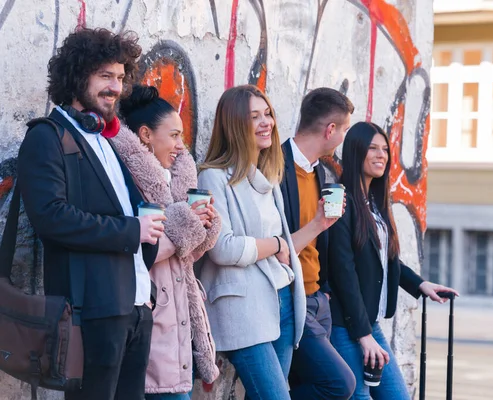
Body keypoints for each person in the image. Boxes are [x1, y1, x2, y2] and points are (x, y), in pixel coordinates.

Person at [17, 28, 166, 400]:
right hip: (92, 312)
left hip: (135, 309)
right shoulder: (47, 137)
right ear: (76, 76)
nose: (115, 87)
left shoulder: (107, 140)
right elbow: (51, 217)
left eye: (119, 77)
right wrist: (132, 230)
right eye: (105, 76)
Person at [328, 121, 459, 400]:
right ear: (355, 152)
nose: (381, 155)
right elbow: (343, 271)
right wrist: (364, 337)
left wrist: (420, 284)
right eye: (372, 148)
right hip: (346, 326)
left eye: (385, 149)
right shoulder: (343, 201)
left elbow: (386, 260)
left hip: (369, 323)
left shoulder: (373, 202)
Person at [196, 85, 306, 400]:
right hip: (243, 310)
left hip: (282, 300)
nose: (265, 122)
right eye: (254, 117)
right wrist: (276, 245)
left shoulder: (268, 177)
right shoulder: (214, 177)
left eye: (267, 114)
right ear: (234, 125)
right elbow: (222, 248)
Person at [114, 85, 220, 399]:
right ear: (145, 135)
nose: (180, 145)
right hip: (148, 323)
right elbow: (136, 252)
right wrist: (183, 225)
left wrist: (204, 225)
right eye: (173, 135)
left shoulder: (174, 180)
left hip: (178, 328)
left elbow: (185, 253)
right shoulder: (125, 180)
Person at [281, 87, 357, 400]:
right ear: (330, 130)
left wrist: (323, 289)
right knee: (340, 384)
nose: (344, 138)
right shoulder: (275, 165)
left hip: (317, 298)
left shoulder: (320, 172)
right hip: (288, 299)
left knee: (297, 385)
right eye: (345, 130)